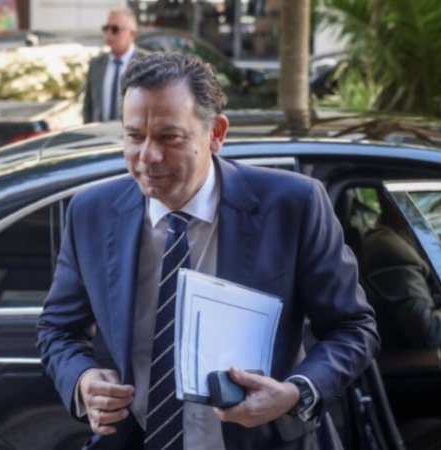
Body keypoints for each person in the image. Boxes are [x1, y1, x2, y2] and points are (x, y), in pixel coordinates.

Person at [37, 52, 379, 450]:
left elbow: (353, 328)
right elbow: (57, 329)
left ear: (216, 133)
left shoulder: (292, 205)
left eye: (169, 137)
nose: (148, 156)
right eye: (134, 136)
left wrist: (294, 392)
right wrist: (82, 380)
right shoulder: (91, 213)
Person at [361, 193, 441, 349]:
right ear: (397, 204)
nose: (439, 213)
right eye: (433, 203)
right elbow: (430, 332)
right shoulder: (390, 248)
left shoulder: (408, 235)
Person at [83, 7, 149, 124]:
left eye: (115, 29)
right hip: (100, 134)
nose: (108, 34)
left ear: (132, 34)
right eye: (106, 28)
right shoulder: (96, 64)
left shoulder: (148, 64)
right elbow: (88, 106)